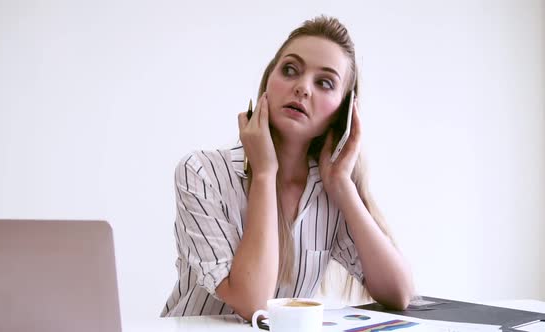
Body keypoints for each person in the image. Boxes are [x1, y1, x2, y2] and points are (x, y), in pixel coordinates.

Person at [160, 15, 414, 320]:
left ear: (343, 112)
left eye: (324, 83)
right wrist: (265, 174)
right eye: (290, 70)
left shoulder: (329, 191)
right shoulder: (202, 173)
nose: (303, 88)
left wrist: (343, 185)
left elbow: (398, 293)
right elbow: (253, 303)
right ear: (268, 82)